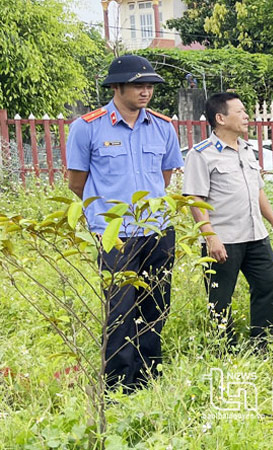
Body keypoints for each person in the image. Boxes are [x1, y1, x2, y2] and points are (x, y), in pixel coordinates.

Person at [65, 54, 184, 392]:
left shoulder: (162, 126)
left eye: (149, 85)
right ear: (117, 87)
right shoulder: (88, 127)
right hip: (114, 235)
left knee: (157, 306)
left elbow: (165, 176)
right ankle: (119, 385)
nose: (145, 91)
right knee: (119, 310)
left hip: (157, 230)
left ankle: (148, 379)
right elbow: (77, 183)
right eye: (137, 85)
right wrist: (103, 218)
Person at [183, 92, 273, 349]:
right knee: (220, 299)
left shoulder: (247, 149)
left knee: (268, 286)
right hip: (224, 239)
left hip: (256, 236)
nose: (246, 116)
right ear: (220, 118)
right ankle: (224, 349)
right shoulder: (201, 154)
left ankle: (262, 345)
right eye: (240, 112)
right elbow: (194, 198)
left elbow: (258, 190)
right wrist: (210, 237)